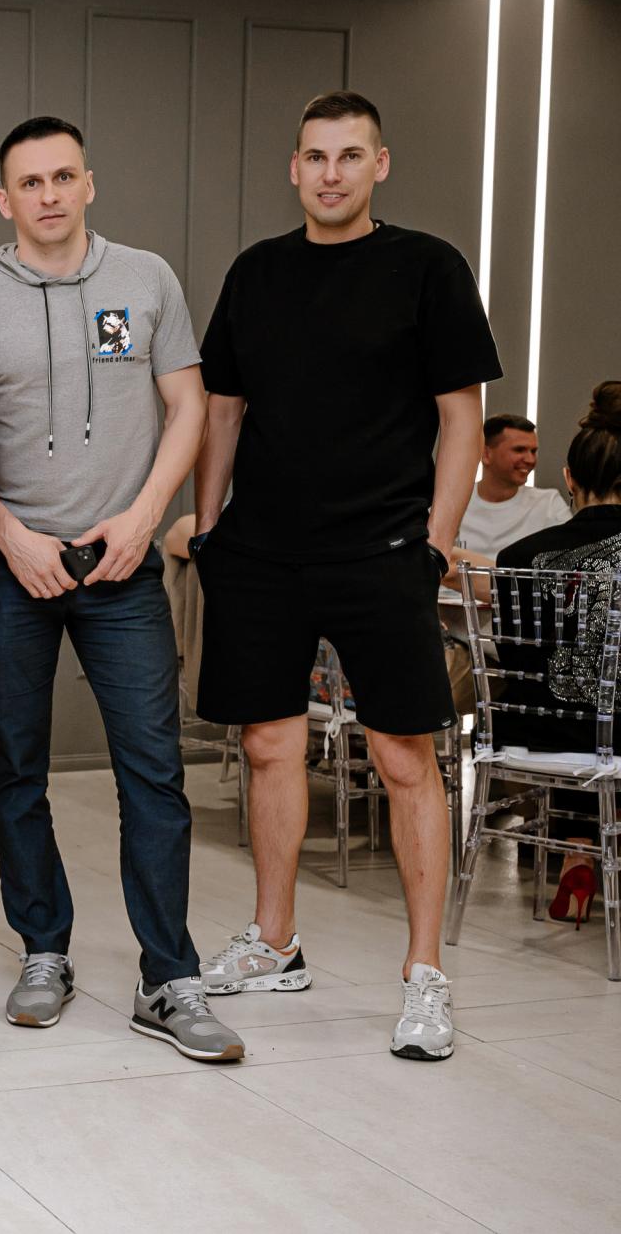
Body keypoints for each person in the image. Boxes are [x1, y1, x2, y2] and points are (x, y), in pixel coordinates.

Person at [192, 91, 499, 1062]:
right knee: (269, 743)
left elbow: (462, 419)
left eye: (350, 155)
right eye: (316, 156)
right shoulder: (256, 272)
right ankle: (275, 940)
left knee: (407, 758)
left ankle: (424, 975)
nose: (331, 173)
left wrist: (436, 541)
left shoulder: (428, 268)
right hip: (263, 551)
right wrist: (208, 527)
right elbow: (223, 409)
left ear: (380, 164)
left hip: (383, 549)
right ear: (294, 167)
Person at [0, 116, 243, 1062]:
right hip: (16, 571)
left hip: (123, 567)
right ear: (4, 198)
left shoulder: (147, 280)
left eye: (63, 176)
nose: (49, 195)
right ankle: (44, 950)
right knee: (17, 771)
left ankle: (168, 976)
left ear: (89, 183)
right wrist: (8, 537)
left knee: (153, 771)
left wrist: (147, 515)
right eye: (30, 182)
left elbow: (189, 405)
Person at [483, 383, 621, 927]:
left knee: (580, 715)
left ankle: (577, 852)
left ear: (569, 479)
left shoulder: (519, 556)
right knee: (604, 719)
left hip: (538, 732)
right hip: (611, 730)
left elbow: (512, 656)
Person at [453, 414, 570, 564]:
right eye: (519, 450)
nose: (530, 459)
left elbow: (569, 559)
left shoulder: (549, 504)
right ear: (486, 454)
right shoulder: (455, 503)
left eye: (533, 451)